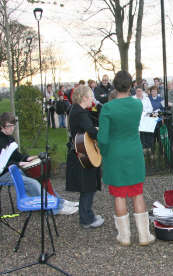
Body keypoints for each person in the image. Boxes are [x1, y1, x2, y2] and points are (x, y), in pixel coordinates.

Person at [98, 70, 155, 246]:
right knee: (137, 193)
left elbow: (103, 138)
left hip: (115, 154)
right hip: (134, 152)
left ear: (114, 86)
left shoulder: (108, 108)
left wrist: (103, 152)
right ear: (130, 86)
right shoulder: (137, 105)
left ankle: (125, 237)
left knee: (119, 195)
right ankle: (144, 236)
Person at [0, 112, 78, 215]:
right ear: (2, 126)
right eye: (9, 126)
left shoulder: (8, 137)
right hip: (1, 174)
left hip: (13, 170)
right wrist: (18, 164)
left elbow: (15, 155)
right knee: (32, 183)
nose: (12, 128)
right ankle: (53, 209)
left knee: (40, 179)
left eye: (13, 126)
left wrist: (27, 158)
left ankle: (60, 202)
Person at [66, 86, 104, 228]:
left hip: (82, 151)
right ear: (84, 98)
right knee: (87, 186)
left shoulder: (77, 111)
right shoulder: (80, 113)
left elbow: (87, 128)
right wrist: (100, 132)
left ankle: (88, 215)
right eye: (91, 96)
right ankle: (87, 219)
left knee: (88, 186)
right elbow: (91, 132)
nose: (93, 99)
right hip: (82, 153)